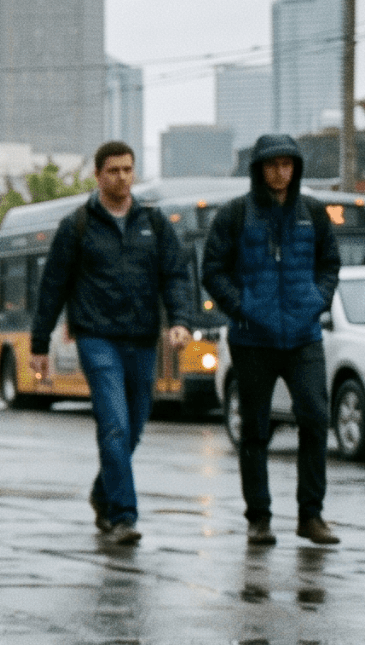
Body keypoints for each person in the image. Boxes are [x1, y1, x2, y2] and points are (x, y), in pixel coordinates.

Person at [29, 141, 194, 546]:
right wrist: (38, 345)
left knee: (134, 428)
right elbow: (53, 286)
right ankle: (123, 516)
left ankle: (103, 492)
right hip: (96, 338)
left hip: (142, 339)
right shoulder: (78, 226)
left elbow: (175, 275)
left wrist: (180, 320)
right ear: (98, 176)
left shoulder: (153, 223)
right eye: (113, 170)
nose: (122, 177)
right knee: (114, 423)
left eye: (128, 169)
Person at [200, 134, 342, 546]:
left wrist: (317, 300)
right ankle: (258, 518)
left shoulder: (313, 212)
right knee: (255, 430)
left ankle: (310, 516)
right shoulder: (235, 214)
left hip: (303, 337)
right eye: (272, 164)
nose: (280, 172)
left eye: (287, 164)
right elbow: (212, 269)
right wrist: (242, 307)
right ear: (259, 169)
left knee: (316, 419)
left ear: (296, 168)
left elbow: (330, 262)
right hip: (252, 340)